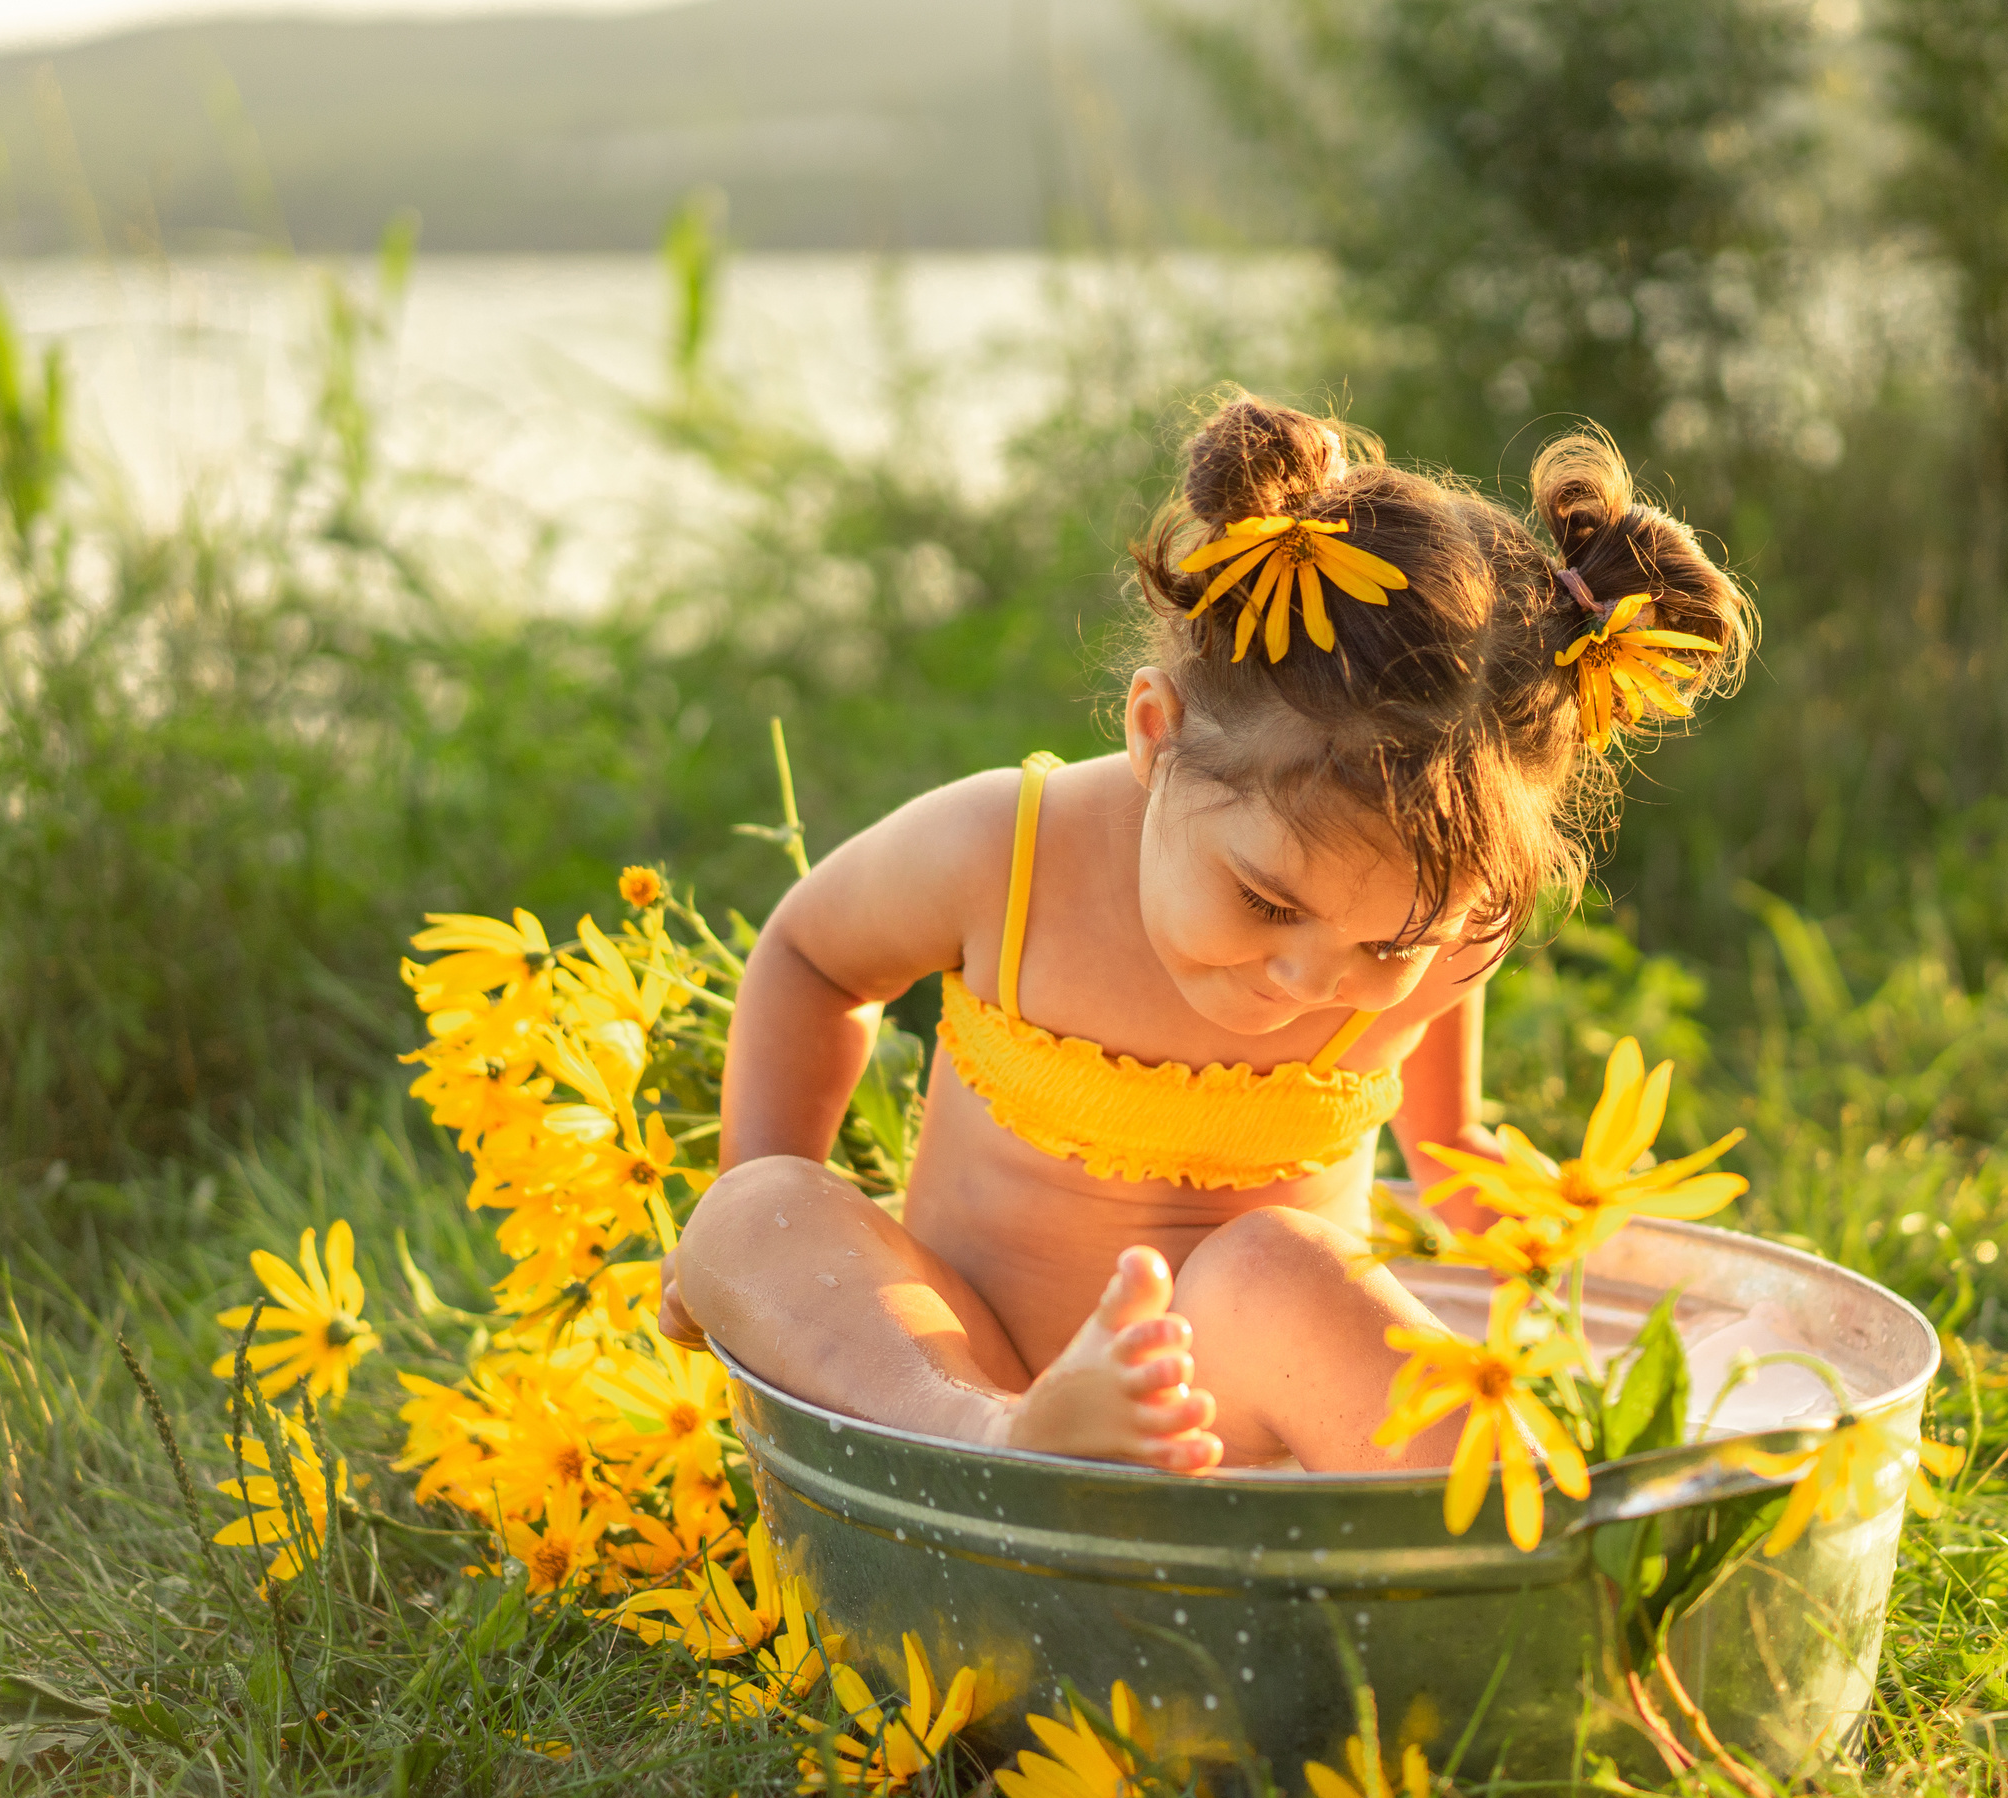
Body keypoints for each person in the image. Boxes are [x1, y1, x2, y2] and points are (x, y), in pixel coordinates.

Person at [661, 392, 1749, 1474]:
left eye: (1389, 945)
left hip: (1234, 1427)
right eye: (1268, 902)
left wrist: (1537, 1257)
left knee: (1276, 1265)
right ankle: (996, 1446)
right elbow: (811, 957)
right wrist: (771, 1214)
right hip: (960, 1369)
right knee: (756, 1209)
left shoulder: (1454, 934)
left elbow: (1450, 1148)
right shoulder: (1006, 850)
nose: (1307, 976)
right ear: (1155, 733)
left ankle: (1521, 1562)